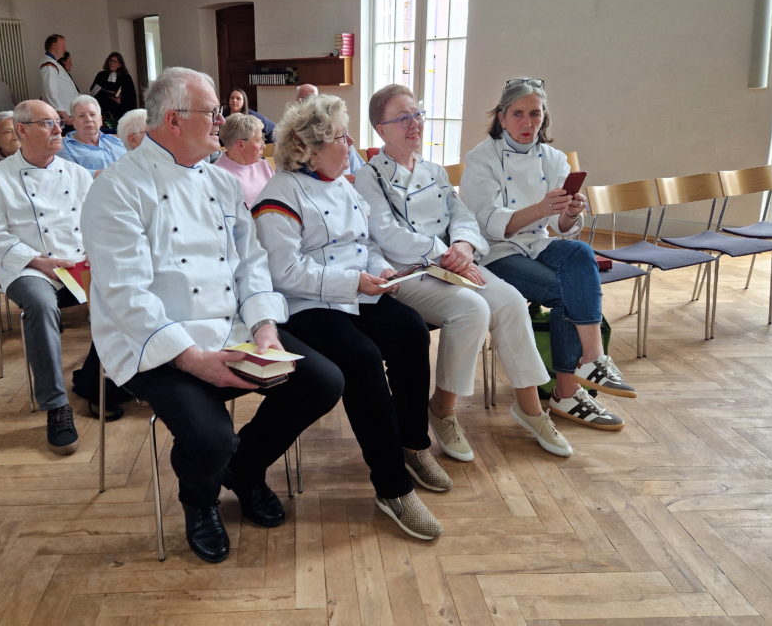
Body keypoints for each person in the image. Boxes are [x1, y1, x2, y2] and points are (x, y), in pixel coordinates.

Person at [80, 67, 343, 564]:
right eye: (213, 112)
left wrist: (264, 327)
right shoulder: (117, 188)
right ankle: (199, 501)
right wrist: (193, 359)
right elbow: (125, 294)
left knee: (322, 382)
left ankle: (244, 469)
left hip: (229, 327)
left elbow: (250, 265)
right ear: (174, 120)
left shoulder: (220, 183)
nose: (223, 120)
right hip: (154, 344)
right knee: (209, 437)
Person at [252, 94, 446, 541]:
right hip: (306, 305)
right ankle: (392, 488)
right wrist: (355, 281)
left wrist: (381, 271)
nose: (351, 143)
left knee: (411, 331)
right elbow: (284, 272)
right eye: (341, 136)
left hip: (356, 293)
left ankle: (413, 444)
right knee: (361, 359)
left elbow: (367, 244)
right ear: (310, 148)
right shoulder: (280, 193)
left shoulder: (342, 183)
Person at [355, 84, 570, 459]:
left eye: (417, 114)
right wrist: (444, 254)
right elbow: (386, 233)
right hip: (407, 273)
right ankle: (443, 410)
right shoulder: (369, 177)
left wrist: (464, 247)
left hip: (453, 263)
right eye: (403, 118)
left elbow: (463, 217)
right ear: (380, 129)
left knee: (511, 302)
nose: (414, 124)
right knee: (472, 309)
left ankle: (531, 409)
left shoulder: (434, 171)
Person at [461, 77, 635, 430]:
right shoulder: (481, 158)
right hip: (497, 251)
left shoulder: (554, 159)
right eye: (518, 114)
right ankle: (569, 389)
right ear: (502, 117)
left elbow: (561, 227)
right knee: (567, 292)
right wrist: (542, 208)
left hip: (537, 243)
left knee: (579, 252)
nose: (528, 123)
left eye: (535, 114)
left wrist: (569, 212)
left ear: (544, 117)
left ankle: (592, 359)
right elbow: (489, 223)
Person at [0, 100, 110, 454]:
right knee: (41, 304)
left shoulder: (76, 174)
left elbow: (95, 223)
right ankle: (56, 405)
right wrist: (39, 261)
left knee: (120, 292)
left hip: (77, 260)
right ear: (21, 130)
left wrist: (94, 257)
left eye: (57, 123)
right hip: (27, 266)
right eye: (47, 123)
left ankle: (98, 382)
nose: (58, 129)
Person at [214, 113, 274, 208]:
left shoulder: (264, 165)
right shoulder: (217, 176)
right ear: (241, 144)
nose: (264, 145)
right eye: (259, 140)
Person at [59, 95, 127, 175]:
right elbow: (72, 175)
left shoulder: (116, 141)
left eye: (92, 114)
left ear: (100, 120)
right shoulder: (63, 147)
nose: (88, 119)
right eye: (82, 116)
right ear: (73, 122)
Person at [90, 52, 137, 131]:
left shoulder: (126, 77)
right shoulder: (101, 75)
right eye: (111, 60)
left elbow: (131, 96)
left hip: (119, 110)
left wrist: (120, 100)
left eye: (115, 61)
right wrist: (108, 94)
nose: (112, 63)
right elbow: (93, 90)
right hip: (103, 109)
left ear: (120, 64)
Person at [39, 34, 79, 125]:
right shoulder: (49, 64)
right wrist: (65, 116)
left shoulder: (54, 64)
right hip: (62, 116)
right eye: (63, 46)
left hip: (67, 113)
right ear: (54, 45)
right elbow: (50, 93)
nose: (65, 49)